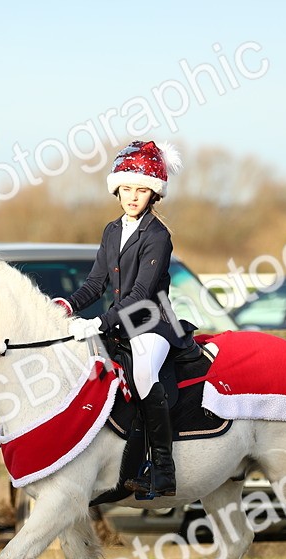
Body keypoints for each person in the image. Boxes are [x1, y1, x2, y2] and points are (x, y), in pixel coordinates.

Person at [55, 140, 188, 498]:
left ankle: (163, 469)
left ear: (153, 195)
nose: (133, 197)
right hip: (119, 323)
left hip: (152, 322)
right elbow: (96, 283)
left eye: (142, 190)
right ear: (117, 189)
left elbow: (141, 295)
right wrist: (67, 305)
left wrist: (99, 322)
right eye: (127, 188)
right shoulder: (112, 230)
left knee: (143, 376)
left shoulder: (158, 236)